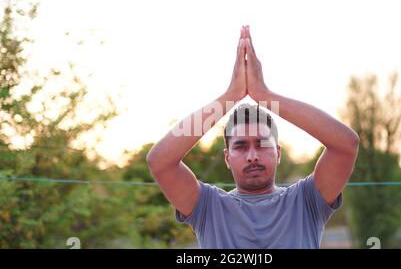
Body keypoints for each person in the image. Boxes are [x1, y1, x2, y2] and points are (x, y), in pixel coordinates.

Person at [146, 25, 359, 248]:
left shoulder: (305, 201)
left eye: (262, 144)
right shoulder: (208, 206)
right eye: (240, 146)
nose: (252, 156)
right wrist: (230, 97)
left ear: (277, 153)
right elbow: (160, 161)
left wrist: (265, 97)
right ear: (227, 157)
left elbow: (346, 144)